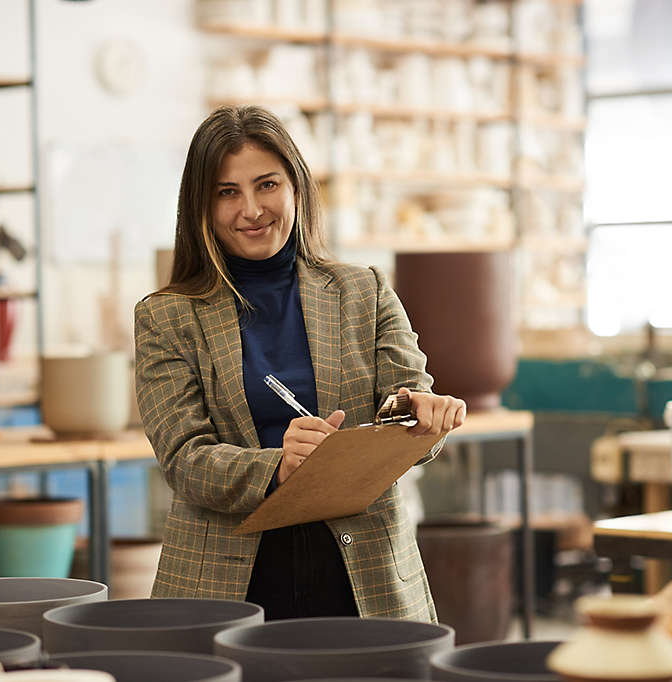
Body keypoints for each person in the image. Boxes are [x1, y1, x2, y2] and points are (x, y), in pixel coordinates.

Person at [135, 105, 467, 622]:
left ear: (296, 188)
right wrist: (278, 467)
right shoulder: (167, 317)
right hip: (227, 580)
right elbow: (184, 459)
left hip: (364, 573)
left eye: (267, 185)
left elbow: (406, 399)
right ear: (200, 205)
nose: (251, 209)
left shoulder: (365, 291)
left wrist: (416, 414)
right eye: (227, 192)